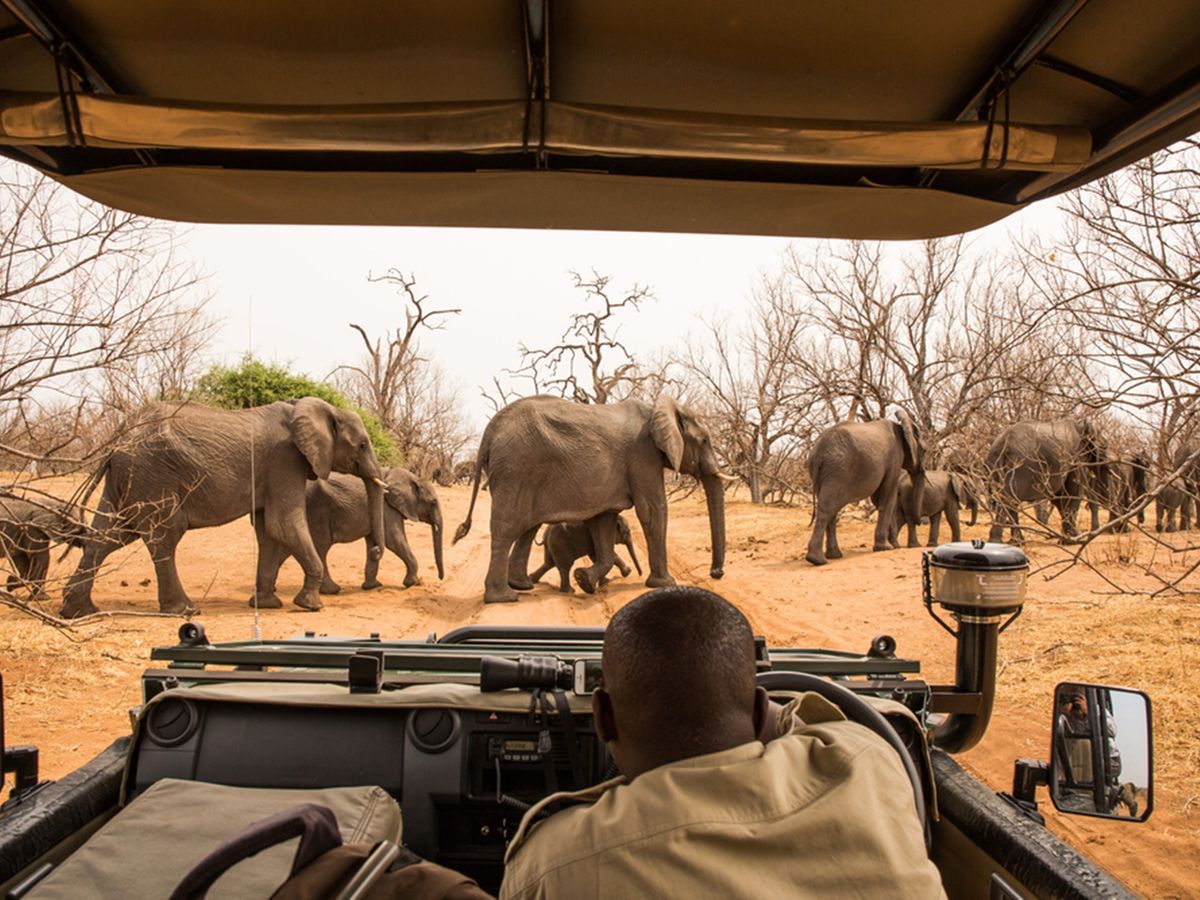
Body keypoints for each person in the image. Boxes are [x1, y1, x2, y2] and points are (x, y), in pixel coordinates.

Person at [500, 586, 945, 899]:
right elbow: (804, 720)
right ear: (756, 711)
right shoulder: (866, 762)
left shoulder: (551, 867)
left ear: (602, 718)